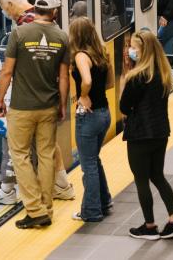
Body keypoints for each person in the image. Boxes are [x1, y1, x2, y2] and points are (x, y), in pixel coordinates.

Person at [0, 0, 76, 206]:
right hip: (49, 97)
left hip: (27, 100)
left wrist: (0, 99)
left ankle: (16, 193)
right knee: (45, 147)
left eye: (4, 9)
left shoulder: (23, 29)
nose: (6, 13)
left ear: (9, 5)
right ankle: (60, 186)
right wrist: (62, 102)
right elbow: (63, 73)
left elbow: (8, 70)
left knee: (16, 144)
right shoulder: (54, 29)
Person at [120, 30, 173, 240]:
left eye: (134, 48)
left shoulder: (137, 77)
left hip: (139, 134)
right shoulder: (163, 73)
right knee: (158, 176)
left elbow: (123, 107)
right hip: (160, 132)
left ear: (143, 51)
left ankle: (149, 226)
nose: (130, 51)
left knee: (141, 179)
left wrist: (126, 76)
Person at [69, 17, 115, 222]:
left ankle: (91, 211)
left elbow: (86, 80)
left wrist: (84, 95)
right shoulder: (102, 53)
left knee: (88, 165)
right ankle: (104, 201)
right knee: (94, 160)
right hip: (105, 112)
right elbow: (110, 82)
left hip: (88, 117)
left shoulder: (81, 55)